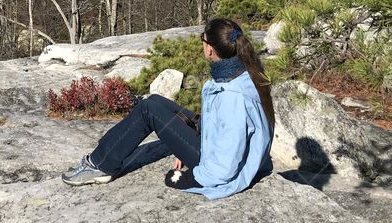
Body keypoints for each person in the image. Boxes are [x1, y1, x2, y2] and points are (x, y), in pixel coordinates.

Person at [61, 18, 274, 200]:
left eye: (202, 39)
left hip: (212, 161)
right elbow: (224, 126)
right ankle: (103, 156)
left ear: (210, 48)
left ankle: (100, 165)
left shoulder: (232, 97)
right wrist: (181, 141)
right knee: (155, 101)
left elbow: (225, 164)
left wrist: (192, 178)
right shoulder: (240, 72)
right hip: (211, 141)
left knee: (148, 110)